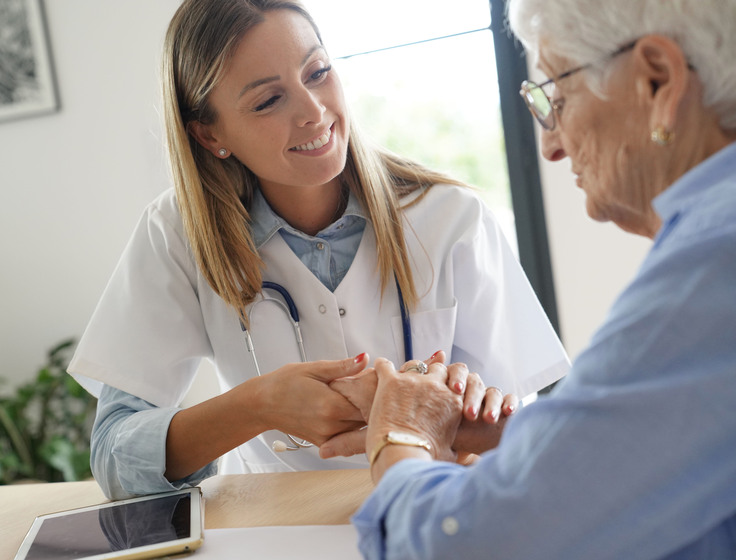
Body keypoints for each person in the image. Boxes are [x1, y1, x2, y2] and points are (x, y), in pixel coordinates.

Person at [67, 0, 569, 501]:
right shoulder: (177, 234)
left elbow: (518, 434)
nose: (314, 111)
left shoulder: (451, 217)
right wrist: (258, 405)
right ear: (209, 133)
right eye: (268, 101)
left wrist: (432, 415)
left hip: (434, 516)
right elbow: (115, 459)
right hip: (273, 532)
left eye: (318, 72)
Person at [351, 0, 736, 558]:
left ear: (658, 80)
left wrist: (400, 438)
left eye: (558, 97)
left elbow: (471, 544)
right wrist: (531, 445)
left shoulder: (712, 265)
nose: (551, 146)